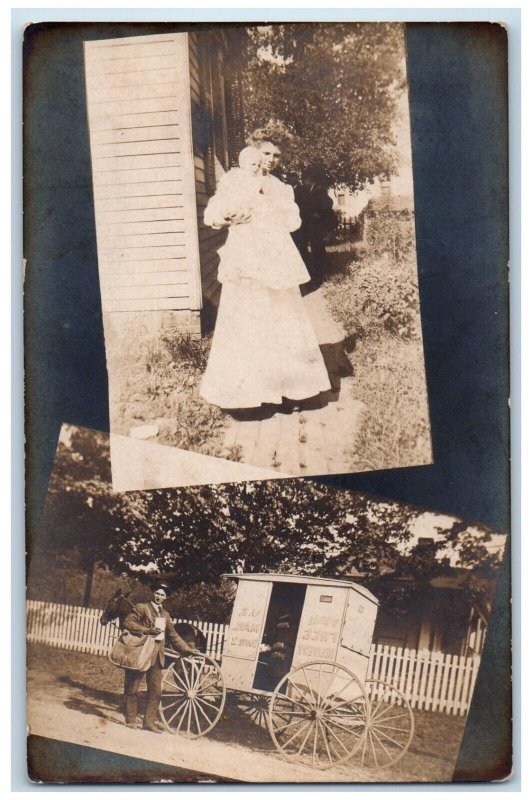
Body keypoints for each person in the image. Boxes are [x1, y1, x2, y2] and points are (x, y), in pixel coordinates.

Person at [199, 130, 331, 410]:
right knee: (247, 319)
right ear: (253, 149)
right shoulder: (234, 179)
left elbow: (293, 222)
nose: (271, 160)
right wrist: (226, 216)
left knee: (280, 318)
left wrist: (274, 206)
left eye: (277, 155)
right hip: (245, 258)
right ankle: (247, 396)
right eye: (266, 153)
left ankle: (289, 391)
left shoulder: (281, 188)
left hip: (275, 258)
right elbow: (213, 213)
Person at [122, 583, 195, 733]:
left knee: (156, 691)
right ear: (153, 594)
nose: (159, 597)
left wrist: (187, 649)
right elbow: (128, 622)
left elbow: (173, 635)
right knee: (133, 687)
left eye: (162, 595)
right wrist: (147, 630)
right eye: (157, 593)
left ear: (165, 597)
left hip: (156, 657)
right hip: (141, 653)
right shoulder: (142, 607)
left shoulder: (165, 615)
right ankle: (130, 719)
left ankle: (148, 723)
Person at [292, 167, 336, 287]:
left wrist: (318, 213)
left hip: (317, 225)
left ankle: (321, 275)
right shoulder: (311, 190)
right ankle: (317, 274)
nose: (304, 183)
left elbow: (328, 203)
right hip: (311, 225)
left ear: (309, 180)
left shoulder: (318, 190)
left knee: (318, 249)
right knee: (315, 249)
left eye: (305, 180)